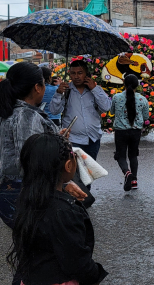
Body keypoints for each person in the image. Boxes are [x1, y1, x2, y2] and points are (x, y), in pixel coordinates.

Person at [0, 62, 85, 228]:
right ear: (37, 87)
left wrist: (54, 139)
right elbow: (31, 160)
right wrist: (64, 184)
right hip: (29, 193)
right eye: (43, 83)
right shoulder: (26, 116)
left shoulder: (11, 111)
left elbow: (30, 146)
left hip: (14, 190)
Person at [7, 133, 108, 285]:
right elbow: (77, 262)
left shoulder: (27, 198)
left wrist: (64, 188)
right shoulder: (64, 212)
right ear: (68, 166)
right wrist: (94, 274)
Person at [49, 59, 112, 207]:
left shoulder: (94, 89)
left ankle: (83, 200)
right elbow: (54, 111)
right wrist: (58, 93)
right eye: (73, 73)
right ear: (69, 74)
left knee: (87, 173)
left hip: (92, 139)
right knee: (73, 173)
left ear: (86, 74)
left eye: (80, 73)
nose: (76, 76)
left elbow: (106, 107)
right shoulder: (66, 90)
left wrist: (95, 89)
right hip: (73, 139)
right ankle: (75, 203)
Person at [112, 75, 149, 191]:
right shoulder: (143, 99)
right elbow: (146, 116)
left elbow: (112, 111)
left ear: (123, 84)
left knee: (120, 155)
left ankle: (127, 173)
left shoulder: (116, 97)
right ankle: (134, 181)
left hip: (120, 131)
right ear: (137, 85)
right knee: (133, 155)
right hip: (135, 132)